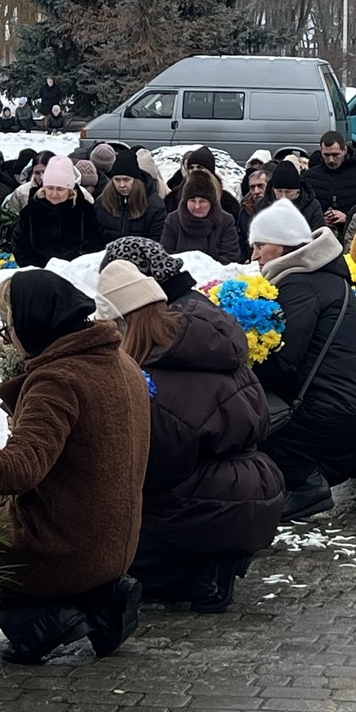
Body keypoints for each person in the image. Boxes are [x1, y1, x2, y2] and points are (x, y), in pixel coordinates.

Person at [0, 272, 148, 663]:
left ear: (35, 322)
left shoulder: (58, 379)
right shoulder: (117, 359)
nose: (7, 339)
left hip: (63, 547)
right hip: (116, 542)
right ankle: (96, 603)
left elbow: (17, 472)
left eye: (8, 328)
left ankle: (43, 619)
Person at [99, 258, 282, 612]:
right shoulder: (204, 345)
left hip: (216, 501)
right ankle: (210, 560)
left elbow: (153, 470)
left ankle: (203, 575)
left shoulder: (156, 382)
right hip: (252, 486)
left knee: (115, 556)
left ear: (124, 324)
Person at [246, 198, 356, 520]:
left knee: (250, 431)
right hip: (350, 405)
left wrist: (245, 382)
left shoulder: (300, 286)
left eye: (260, 245)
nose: (254, 255)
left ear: (285, 245)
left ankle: (306, 483)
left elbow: (285, 358)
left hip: (330, 410)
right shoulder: (327, 276)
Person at [13, 155, 106, 268]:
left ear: (70, 189)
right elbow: (20, 245)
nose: (54, 193)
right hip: (39, 273)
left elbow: (96, 242)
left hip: (75, 272)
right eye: (50, 188)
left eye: (60, 189)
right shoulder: (31, 210)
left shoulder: (84, 210)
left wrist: (75, 263)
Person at [162, 168, 244, 263]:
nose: (197, 206)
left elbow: (230, 256)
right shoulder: (173, 220)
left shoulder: (225, 221)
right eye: (192, 201)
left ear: (211, 202)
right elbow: (166, 254)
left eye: (202, 201)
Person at [305, 131, 356, 233]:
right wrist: (319, 219)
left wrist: (348, 216)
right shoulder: (309, 177)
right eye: (326, 155)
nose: (331, 160)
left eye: (335, 155)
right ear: (321, 151)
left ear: (345, 150)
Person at [96, 147, 166, 242]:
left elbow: (157, 239)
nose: (121, 185)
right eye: (117, 180)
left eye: (126, 180)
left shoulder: (155, 205)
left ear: (136, 180)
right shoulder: (101, 202)